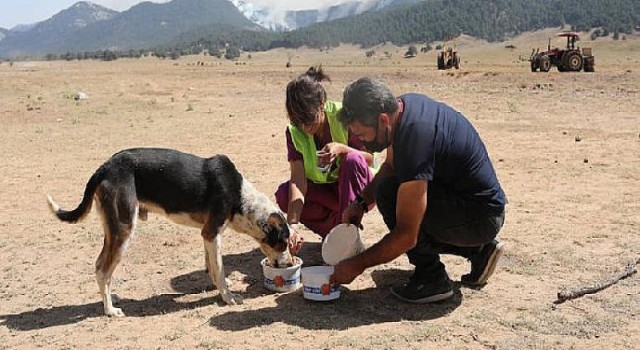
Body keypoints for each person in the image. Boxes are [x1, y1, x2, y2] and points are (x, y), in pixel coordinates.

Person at [330, 77, 507, 304]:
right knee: (388, 188)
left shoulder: (416, 137)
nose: (362, 144)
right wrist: (361, 202)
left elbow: (406, 236)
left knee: (392, 199)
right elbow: (391, 166)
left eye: (363, 135)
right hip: (472, 208)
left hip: (480, 217)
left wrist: (356, 264)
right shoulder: (403, 109)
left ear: (383, 120)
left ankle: (432, 279)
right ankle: (479, 251)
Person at [275, 67, 377, 243]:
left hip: (361, 193)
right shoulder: (294, 132)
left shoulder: (343, 116)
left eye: (309, 120)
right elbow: (298, 181)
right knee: (284, 195)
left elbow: (368, 159)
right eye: (299, 123)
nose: (306, 128)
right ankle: (336, 233)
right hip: (329, 194)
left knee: (352, 159)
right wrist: (292, 226)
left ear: (322, 104)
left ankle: (348, 232)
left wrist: (342, 149)